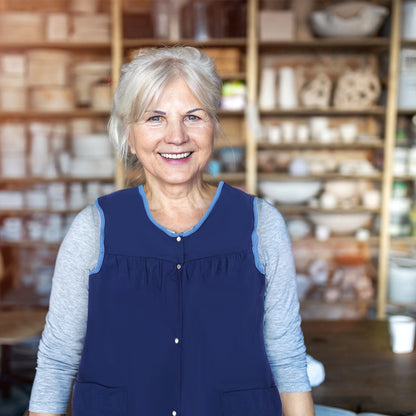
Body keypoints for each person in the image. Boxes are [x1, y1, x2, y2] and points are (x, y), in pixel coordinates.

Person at [28, 46, 314, 416]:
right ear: (129, 135)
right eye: (155, 118)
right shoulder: (93, 227)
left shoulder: (262, 224)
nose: (176, 136)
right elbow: (58, 359)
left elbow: (287, 357)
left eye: (193, 116)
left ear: (213, 126)